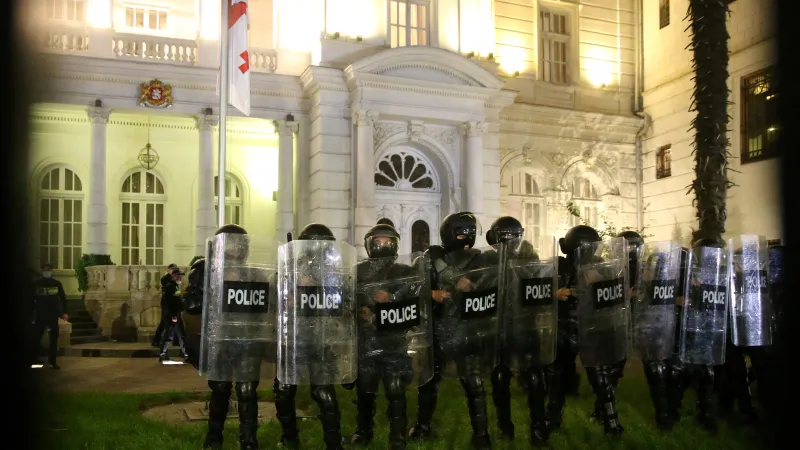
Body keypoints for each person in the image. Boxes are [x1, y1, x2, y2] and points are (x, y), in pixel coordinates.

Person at [409, 211, 494, 449]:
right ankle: (423, 426)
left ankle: (481, 434)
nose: (466, 236)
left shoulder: (480, 259)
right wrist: (431, 293)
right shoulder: (431, 257)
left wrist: (472, 285)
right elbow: (413, 287)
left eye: (469, 232)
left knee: (474, 383)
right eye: (461, 232)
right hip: (438, 328)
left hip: (466, 329)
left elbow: (490, 284)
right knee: (428, 381)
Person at [190, 224, 269, 450]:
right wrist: (212, 285)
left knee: (247, 392)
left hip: (248, 342)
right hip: (221, 342)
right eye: (231, 245)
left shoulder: (256, 275)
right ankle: (214, 438)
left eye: (239, 245)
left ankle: (249, 441)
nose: (235, 250)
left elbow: (269, 307)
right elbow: (192, 305)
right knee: (220, 390)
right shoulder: (207, 271)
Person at [350, 224, 428, 450]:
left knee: (395, 389)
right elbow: (349, 298)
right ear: (369, 244)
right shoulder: (357, 271)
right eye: (378, 241)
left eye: (387, 242)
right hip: (366, 342)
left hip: (394, 342)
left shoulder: (404, 271)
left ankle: (398, 436)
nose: (383, 245)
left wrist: (391, 298)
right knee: (366, 390)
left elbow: (414, 299)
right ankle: (364, 430)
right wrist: (361, 311)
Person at [274, 223, 349, 450]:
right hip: (293, 338)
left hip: (320, 339)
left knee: (323, 391)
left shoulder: (334, 272)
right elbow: (273, 295)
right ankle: (289, 438)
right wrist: (288, 294)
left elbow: (343, 304)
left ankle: (334, 442)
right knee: (284, 392)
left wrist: (317, 287)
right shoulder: (290, 267)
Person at [488, 216, 553, 445]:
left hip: (518, 324)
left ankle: (527, 428)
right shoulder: (495, 259)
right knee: (508, 377)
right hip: (509, 326)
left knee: (527, 377)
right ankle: (519, 428)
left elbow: (538, 286)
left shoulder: (525, 257)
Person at [545, 226, 596, 431]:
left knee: (598, 373)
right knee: (558, 373)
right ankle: (553, 417)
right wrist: (555, 294)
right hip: (563, 324)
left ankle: (608, 418)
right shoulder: (557, 265)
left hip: (588, 324)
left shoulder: (597, 267)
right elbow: (539, 290)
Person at [30, 263, 68, 369]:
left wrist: (64, 312)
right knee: (36, 338)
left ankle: (52, 362)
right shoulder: (36, 284)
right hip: (40, 315)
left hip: (53, 315)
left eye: (49, 269)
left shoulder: (57, 284)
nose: (47, 271)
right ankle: (34, 361)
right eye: (45, 269)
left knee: (53, 339)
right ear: (42, 271)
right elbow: (30, 300)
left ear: (52, 271)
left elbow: (63, 298)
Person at [158, 267, 188, 363]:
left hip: (174, 314)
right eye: (179, 276)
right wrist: (174, 314)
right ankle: (163, 354)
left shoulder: (172, 286)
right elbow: (172, 302)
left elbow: (174, 301)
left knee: (178, 335)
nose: (180, 278)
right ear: (174, 276)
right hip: (173, 315)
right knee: (171, 335)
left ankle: (184, 354)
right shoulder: (172, 287)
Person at [152, 263, 178, 348]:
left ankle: (175, 341)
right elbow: (168, 289)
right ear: (169, 270)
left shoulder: (174, 279)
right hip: (167, 303)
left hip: (172, 303)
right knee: (165, 323)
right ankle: (158, 340)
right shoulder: (165, 278)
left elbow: (176, 291)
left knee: (174, 322)